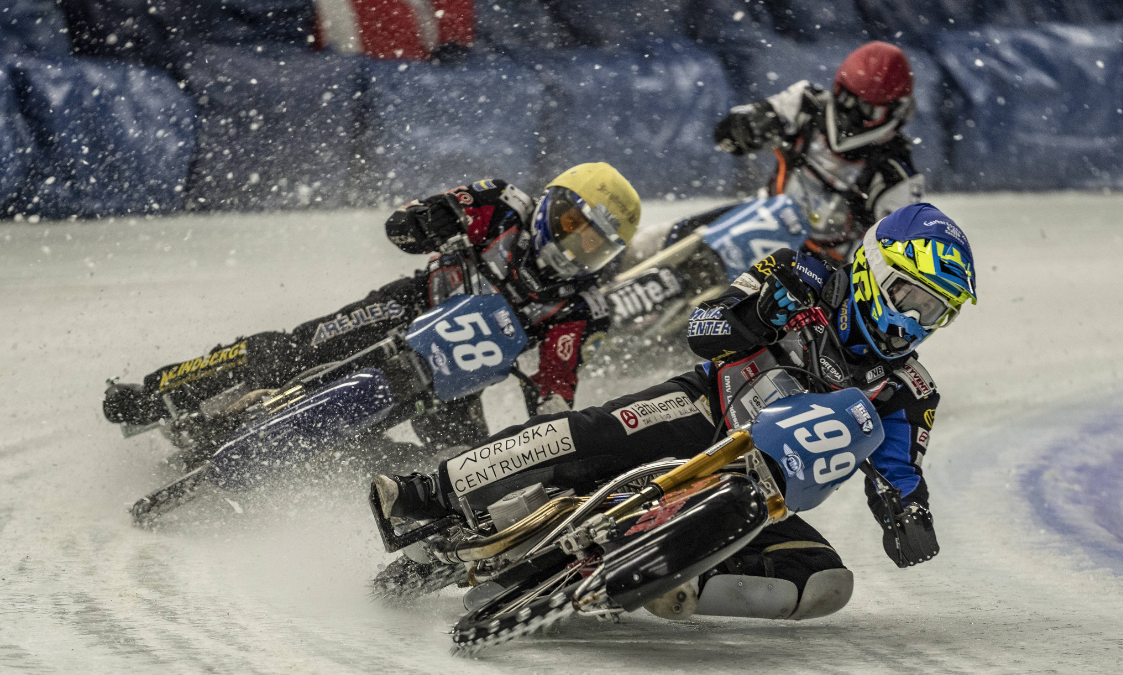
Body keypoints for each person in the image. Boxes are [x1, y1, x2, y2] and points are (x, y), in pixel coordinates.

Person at [371, 202, 976, 621]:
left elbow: (900, 470)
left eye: (936, 313)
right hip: (700, 411)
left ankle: (679, 580)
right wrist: (758, 315)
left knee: (824, 582)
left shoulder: (910, 388)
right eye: (912, 297)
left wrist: (909, 514)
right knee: (586, 434)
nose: (915, 322)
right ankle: (431, 490)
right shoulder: (800, 272)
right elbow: (704, 328)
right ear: (875, 268)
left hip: (758, 488)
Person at [102, 162, 640, 452]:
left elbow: (556, 386)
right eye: (573, 225)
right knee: (293, 349)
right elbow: (417, 218)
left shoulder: (575, 307)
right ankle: (158, 392)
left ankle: (325, 477)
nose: (575, 247)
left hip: (451, 384)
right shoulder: (502, 205)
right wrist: (425, 219)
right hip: (405, 309)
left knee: (456, 467)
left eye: (594, 244)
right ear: (555, 203)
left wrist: (553, 426)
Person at [702, 41, 925, 265]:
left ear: (895, 110)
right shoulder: (806, 103)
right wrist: (747, 127)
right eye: (845, 99)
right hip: (761, 214)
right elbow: (726, 137)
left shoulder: (897, 174)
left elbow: (894, 257)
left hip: (821, 262)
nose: (850, 117)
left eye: (867, 111)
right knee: (674, 233)